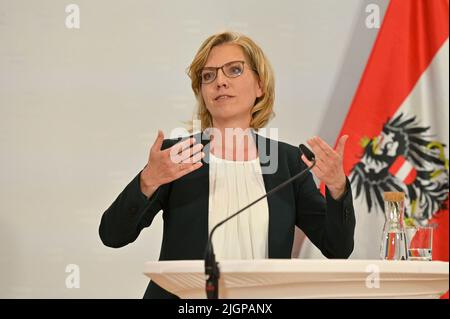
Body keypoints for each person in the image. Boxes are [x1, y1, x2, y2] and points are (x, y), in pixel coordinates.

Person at [99, 31, 356, 299]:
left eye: (234, 70)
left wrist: (337, 187)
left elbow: (337, 248)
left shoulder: (288, 163)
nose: (220, 81)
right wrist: (148, 180)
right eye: (208, 75)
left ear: (260, 85)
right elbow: (113, 235)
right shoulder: (178, 155)